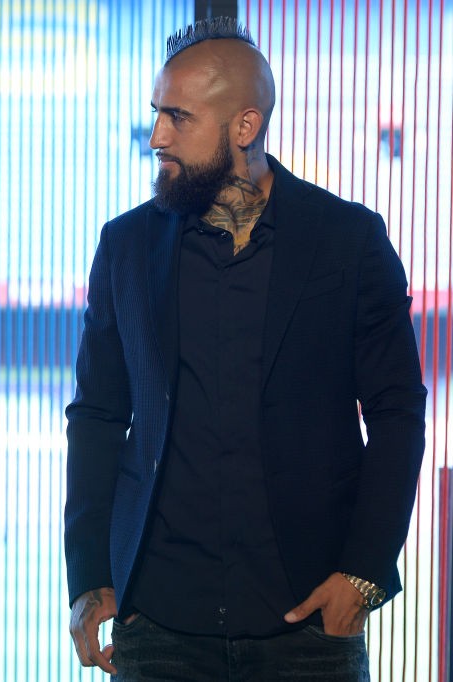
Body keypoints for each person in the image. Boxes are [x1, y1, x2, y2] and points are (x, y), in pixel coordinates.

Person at [63, 16, 426, 681]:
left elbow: (398, 410)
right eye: (156, 115)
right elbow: (96, 416)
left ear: (244, 127)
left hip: (308, 622)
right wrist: (88, 578)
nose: (157, 138)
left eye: (178, 118)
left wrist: (364, 573)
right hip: (158, 627)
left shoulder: (349, 240)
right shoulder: (126, 247)